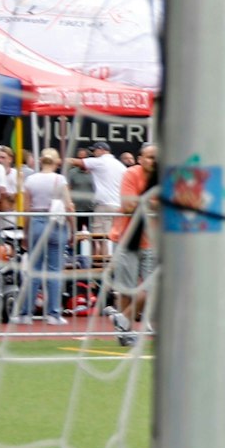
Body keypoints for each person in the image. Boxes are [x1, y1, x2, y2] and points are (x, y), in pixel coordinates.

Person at [107, 144, 158, 346]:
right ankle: (125, 333)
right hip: (128, 238)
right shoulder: (130, 174)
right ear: (140, 158)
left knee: (153, 287)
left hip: (152, 240)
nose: (154, 161)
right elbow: (128, 206)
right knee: (127, 289)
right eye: (150, 157)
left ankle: (122, 319)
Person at [17, 148, 72, 324]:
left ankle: (26, 313)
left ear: (41, 160)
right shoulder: (60, 180)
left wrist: (25, 232)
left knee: (34, 270)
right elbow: (69, 206)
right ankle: (54, 314)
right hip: (56, 223)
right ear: (56, 162)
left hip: (36, 221)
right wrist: (73, 228)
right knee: (55, 270)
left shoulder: (31, 180)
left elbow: (26, 209)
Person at [74, 143, 128, 235]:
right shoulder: (121, 166)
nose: (94, 153)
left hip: (104, 205)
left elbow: (78, 162)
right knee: (114, 236)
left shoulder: (100, 161)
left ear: (101, 150)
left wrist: (60, 160)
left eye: (94, 151)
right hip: (118, 206)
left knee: (100, 238)